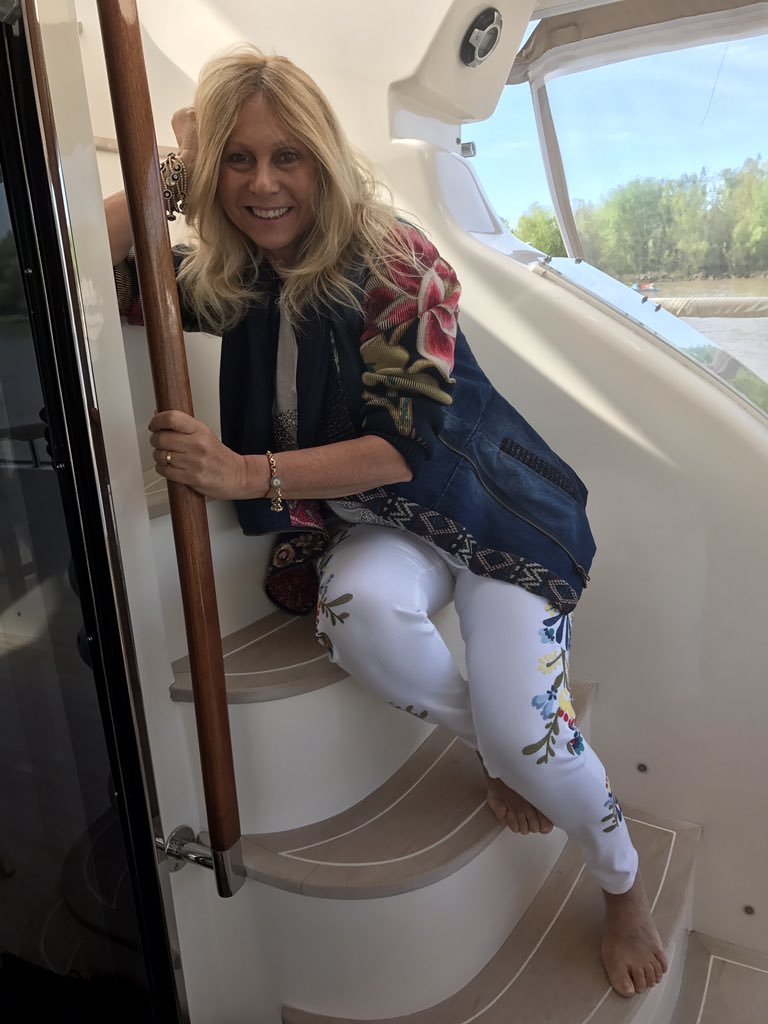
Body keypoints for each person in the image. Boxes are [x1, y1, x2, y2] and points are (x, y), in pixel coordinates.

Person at [106, 45, 667, 998]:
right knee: (355, 617)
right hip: (384, 523)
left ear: (324, 160)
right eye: (239, 160)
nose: (264, 183)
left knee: (530, 731)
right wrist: (175, 165)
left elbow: (403, 449)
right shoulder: (238, 278)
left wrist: (242, 473)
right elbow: (102, 264)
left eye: (287, 156)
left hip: (491, 517)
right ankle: (495, 752)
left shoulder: (399, 262)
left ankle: (621, 884)